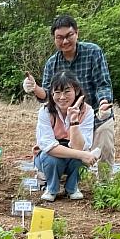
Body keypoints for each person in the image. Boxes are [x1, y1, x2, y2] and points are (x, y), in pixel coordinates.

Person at [23, 14, 115, 170]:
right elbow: (46, 95)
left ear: (77, 33)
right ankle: (68, 184)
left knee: (104, 148)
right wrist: (34, 88)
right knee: (70, 156)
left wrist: (104, 102)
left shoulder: (93, 52)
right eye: (59, 37)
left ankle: (105, 188)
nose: (65, 41)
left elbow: (102, 83)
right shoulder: (52, 63)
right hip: (67, 120)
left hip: (96, 112)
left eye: (69, 36)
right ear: (54, 39)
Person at [34, 71, 99, 202]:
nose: (62, 97)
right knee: (51, 159)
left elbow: (80, 147)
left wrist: (74, 121)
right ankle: (52, 188)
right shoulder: (45, 112)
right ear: (51, 94)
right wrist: (82, 155)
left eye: (67, 92)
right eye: (57, 92)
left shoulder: (88, 111)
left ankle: (72, 187)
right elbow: (48, 146)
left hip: (73, 153)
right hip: (49, 155)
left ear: (76, 91)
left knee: (79, 160)